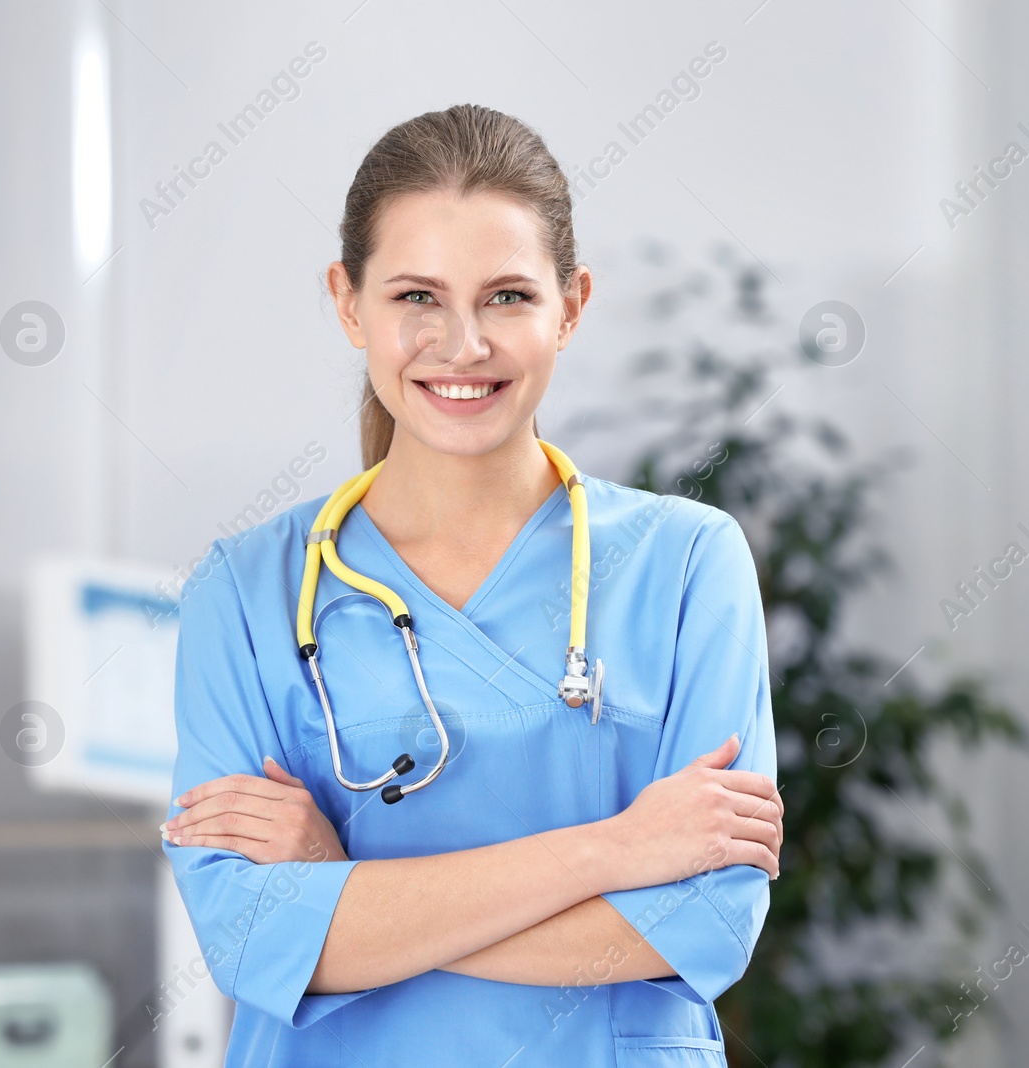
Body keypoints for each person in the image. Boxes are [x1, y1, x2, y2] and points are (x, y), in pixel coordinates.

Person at [160, 103, 782, 1066]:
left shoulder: (689, 562)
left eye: (507, 297)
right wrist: (613, 851)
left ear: (571, 305)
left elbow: (703, 925)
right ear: (346, 300)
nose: (462, 345)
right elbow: (250, 939)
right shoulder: (242, 595)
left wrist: (346, 891)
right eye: (416, 296)